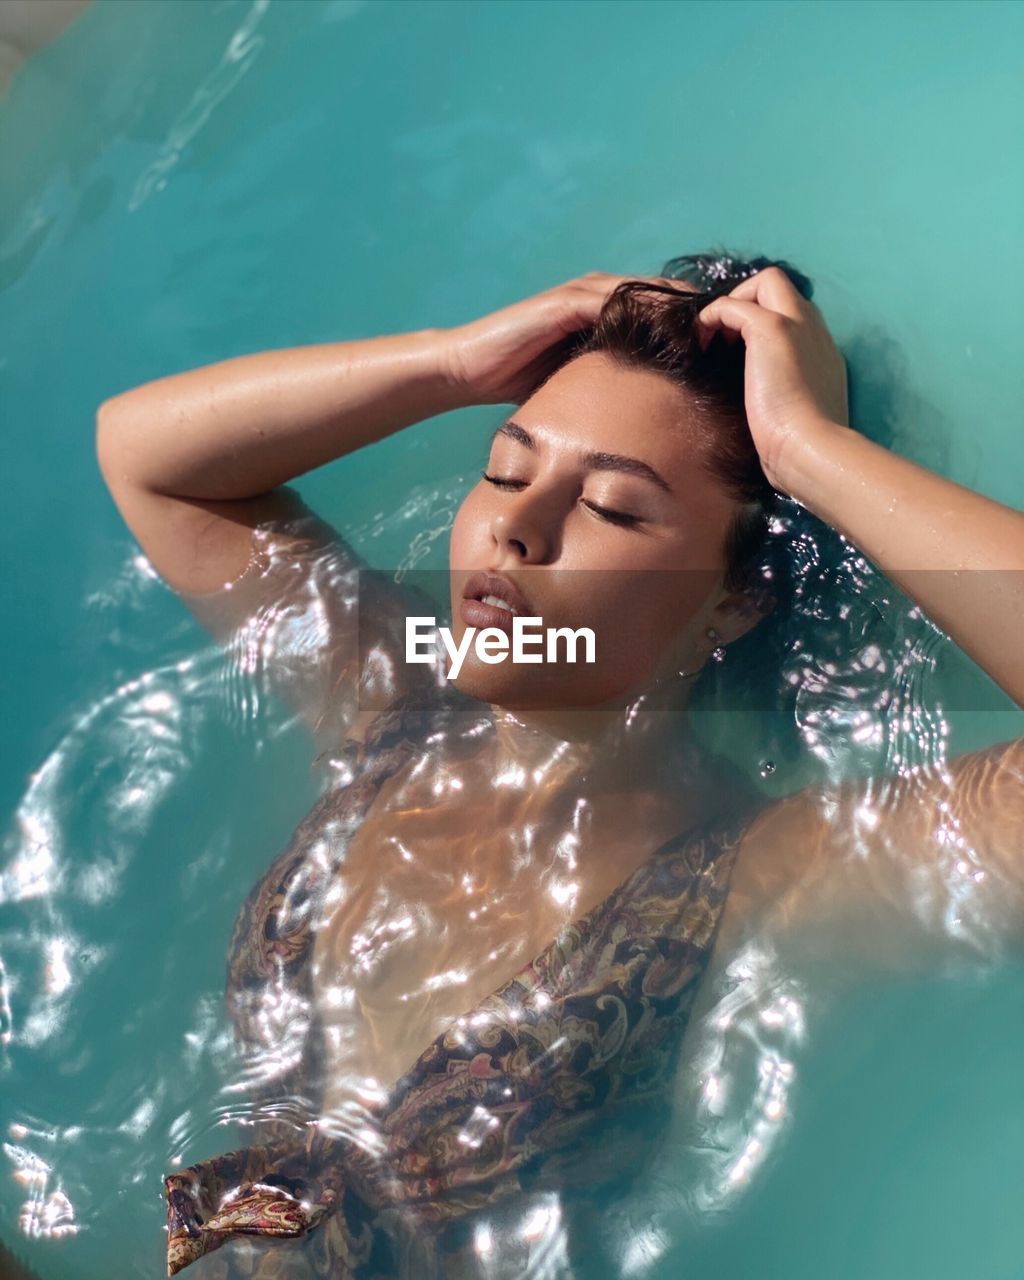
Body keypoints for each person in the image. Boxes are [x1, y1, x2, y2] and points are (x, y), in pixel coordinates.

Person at [96, 255, 1024, 1278]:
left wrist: (812, 452)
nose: (516, 525)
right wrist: (451, 362)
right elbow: (147, 456)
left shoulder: (760, 878)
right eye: (503, 468)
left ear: (734, 600)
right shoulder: (391, 717)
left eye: (616, 509)